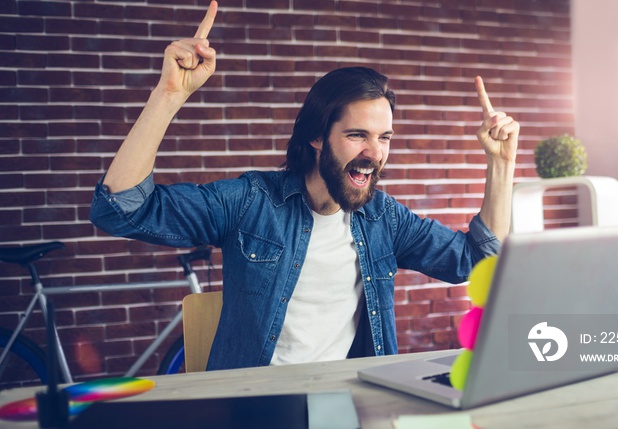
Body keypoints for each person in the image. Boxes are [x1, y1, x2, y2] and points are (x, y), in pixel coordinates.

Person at [90, 1, 519, 371]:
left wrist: (501, 165)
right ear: (317, 137)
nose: (374, 153)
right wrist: (168, 95)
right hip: (257, 404)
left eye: (384, 138)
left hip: (345, 398)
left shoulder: (382, 217)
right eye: (357, 135)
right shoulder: (251, 202)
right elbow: (122, 209)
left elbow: (476, 260)